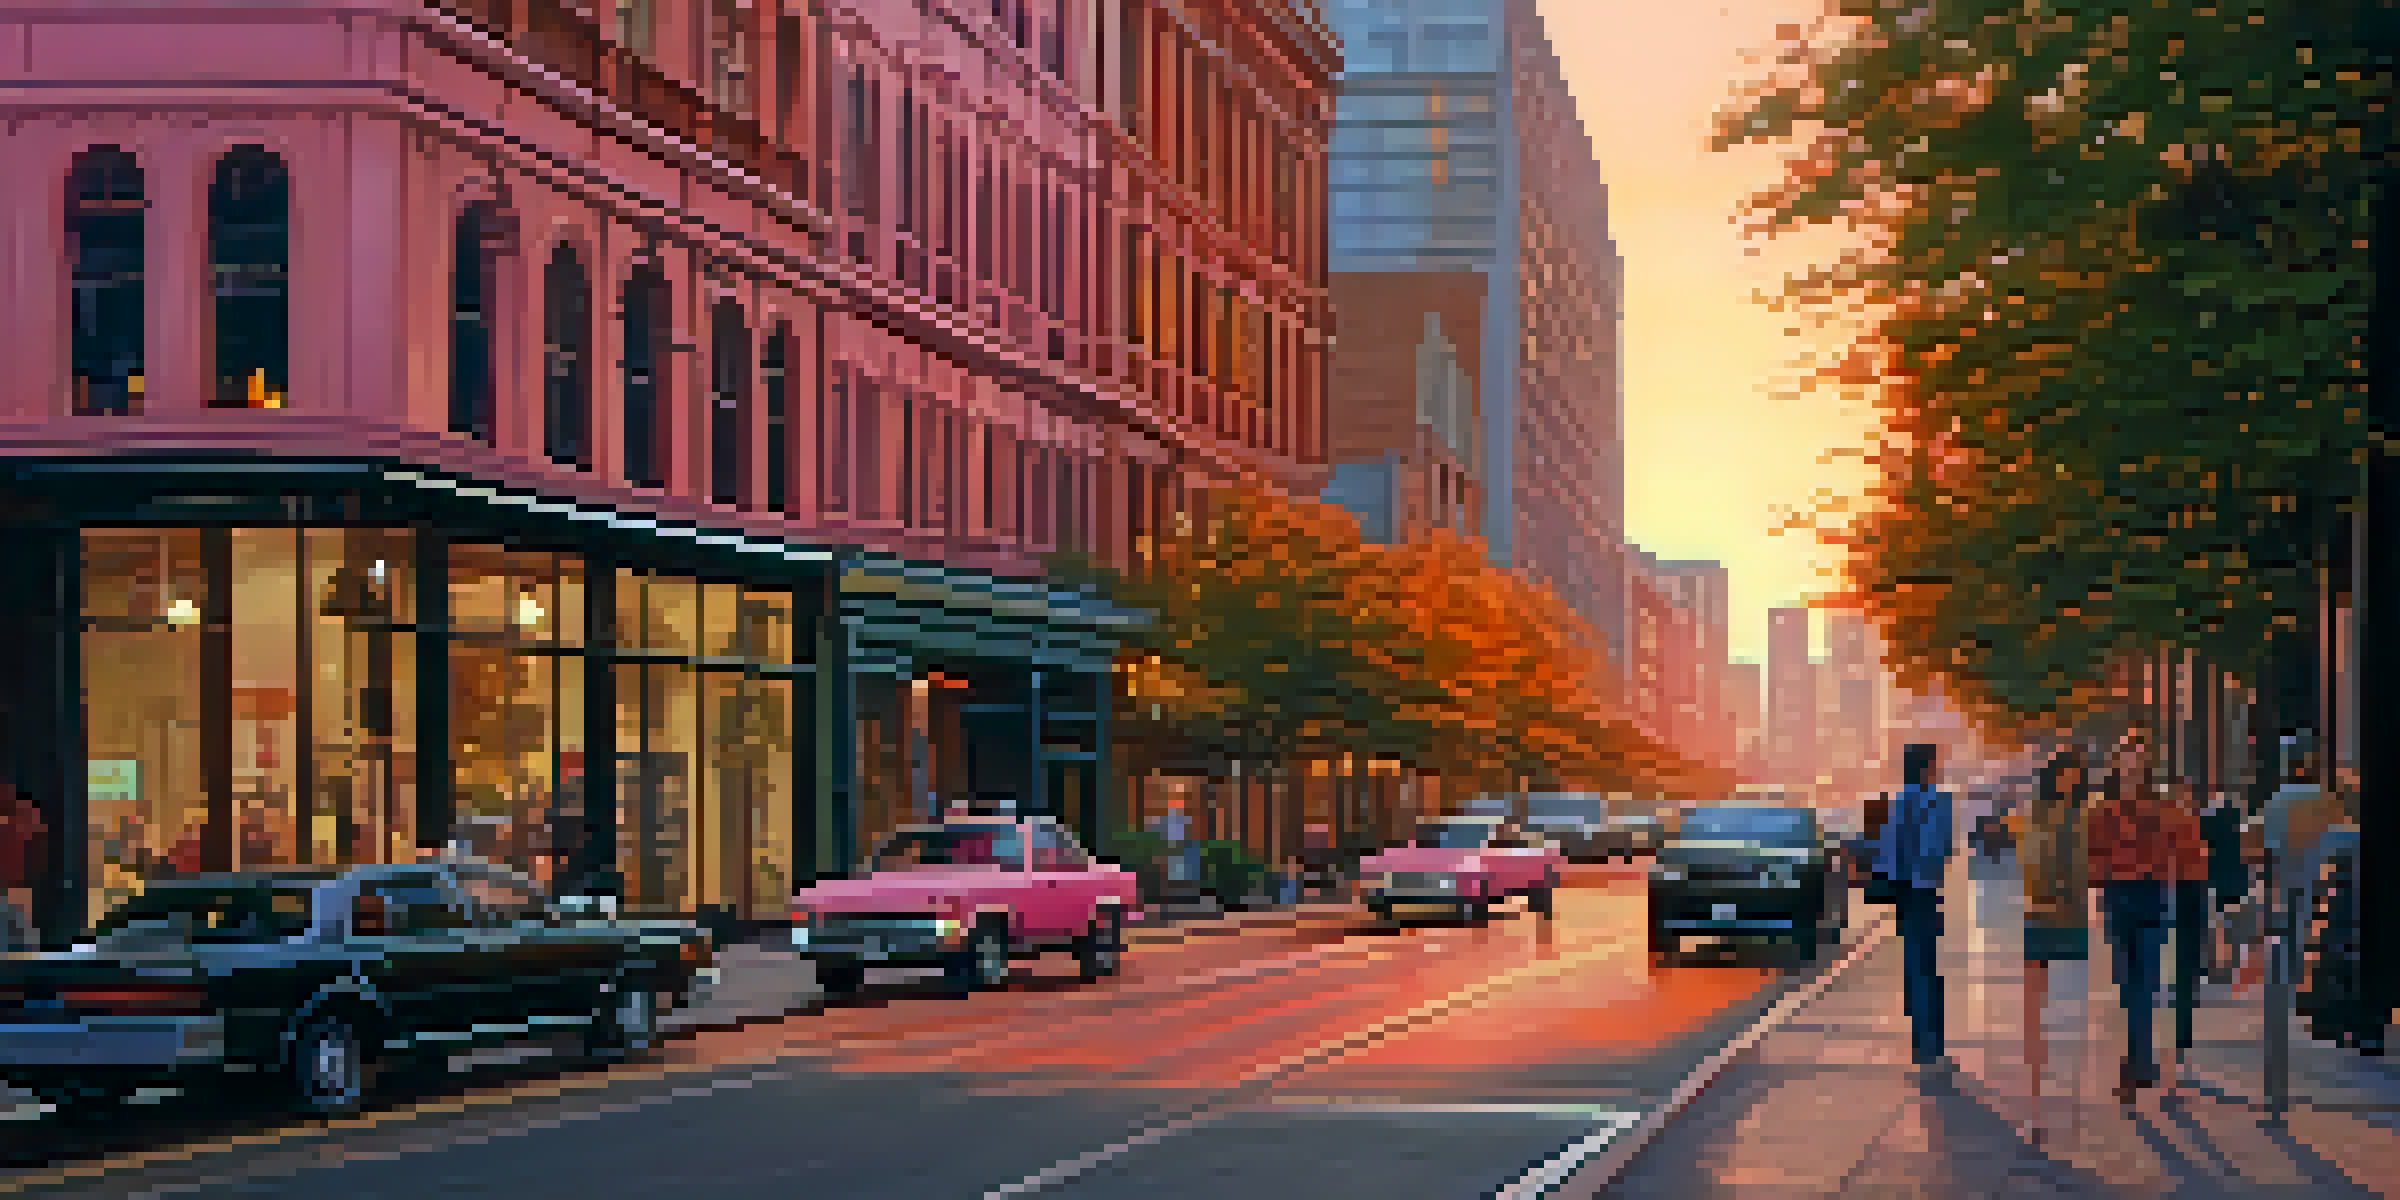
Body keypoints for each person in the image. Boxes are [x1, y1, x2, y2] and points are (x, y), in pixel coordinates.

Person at [2087, 731, 2205, 1103]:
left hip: (2152, 895)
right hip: (2118, 896)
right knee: (2128, 983)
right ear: (2117, 764)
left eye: (2139, 757)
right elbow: (2089, 859)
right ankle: (2137, 1059)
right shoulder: (2102, 810)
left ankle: (2137, 1062)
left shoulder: (2165, 809)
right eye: (2127, 756)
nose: (2133, 763)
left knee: (2146, 982)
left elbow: (2189, 853)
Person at [2019, 747, 2091, 1143]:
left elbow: (2086, 864)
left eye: (2077, 774)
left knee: (2069, 1013)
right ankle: (2036, 1107)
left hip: (2071, 915)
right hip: (2042, 913)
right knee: (2036, 1013)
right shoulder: (2042, 815)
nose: (2073, 780)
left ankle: (2056, 1102)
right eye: (2068, 773)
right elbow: (2030, 864)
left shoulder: (2084, 814)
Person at [1872, 743, 1956, 1073]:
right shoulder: (1938, 801)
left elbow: (1888, 852)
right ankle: (1931, 1047)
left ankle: (1920, 1043)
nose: (1940, 769)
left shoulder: (1899, 802)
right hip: (1924, 891)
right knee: (1927, 967)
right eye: (1936, 763)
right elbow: (1940, 848)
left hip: (1903, 892)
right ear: (1925, 768)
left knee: (1913, 963)